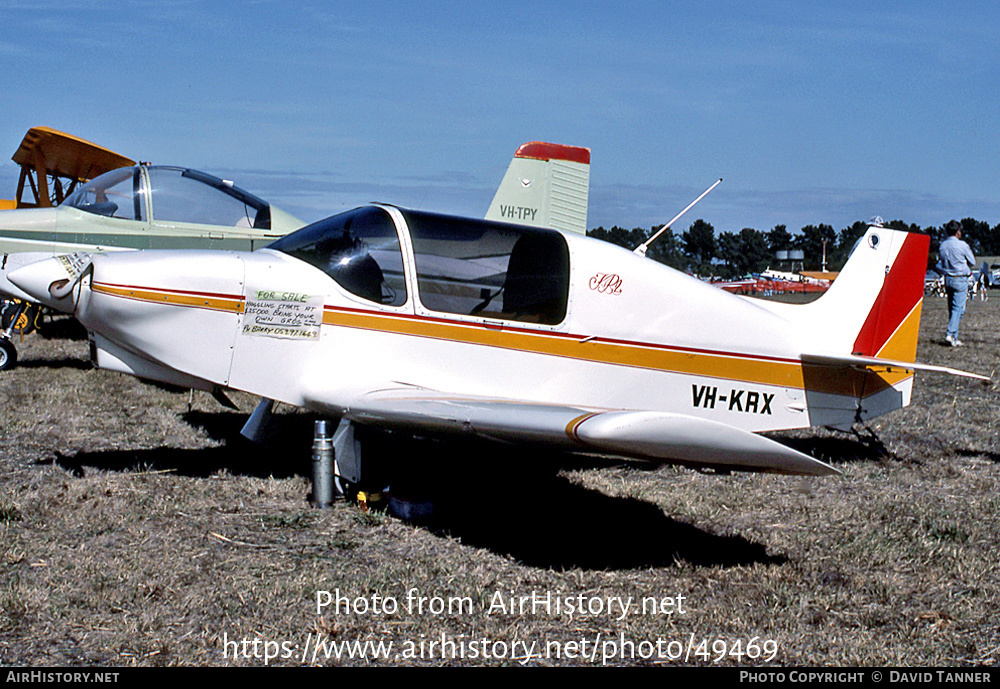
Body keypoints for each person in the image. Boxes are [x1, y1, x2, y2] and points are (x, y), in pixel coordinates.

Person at [935, 219, 976, 346]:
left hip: (948, 279)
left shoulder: (942, 246)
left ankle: (954, 337)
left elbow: (939, 264)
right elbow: (973, 262)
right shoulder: (962, 245)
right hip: (960, 278)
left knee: (953, 309)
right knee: (958, 309)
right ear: (958, 232)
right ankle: (950, 333)